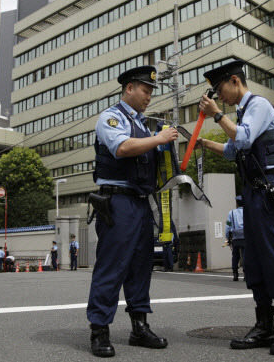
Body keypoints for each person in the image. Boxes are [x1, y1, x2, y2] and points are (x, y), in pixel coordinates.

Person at [198, 59, 274, 356]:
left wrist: (216, 114)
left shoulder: (259, 105)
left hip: (267, 195)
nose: (220, 97)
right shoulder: (243, 113)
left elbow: (243, 140)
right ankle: (264, 326)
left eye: (220, 90)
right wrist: (206, 143)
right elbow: (233, 150)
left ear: (235, 81)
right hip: (252, 195)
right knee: (255, 261)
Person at [87, 65, 176, 358]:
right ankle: (99, 330)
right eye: (145, 90)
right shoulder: (112, 117)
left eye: (151, 92)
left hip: (140, 201)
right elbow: (122, 148)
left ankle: (140, 327)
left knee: (141, 266)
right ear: (129, 88)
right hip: (117, 201)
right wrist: (160, 140)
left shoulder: (143, 125)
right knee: (112, 266)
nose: (149, 96)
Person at [226, 195, 245, 282]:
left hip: (235, 237)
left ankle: (235, 273)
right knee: (246, 256)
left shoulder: (231, 213)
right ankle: (246, 273)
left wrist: (227, 237)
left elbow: (228, 225)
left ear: (237, 203)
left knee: (235, 256)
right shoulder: (247, 211)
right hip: (245, 237)